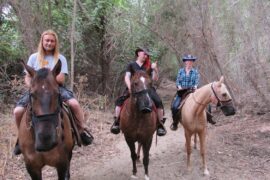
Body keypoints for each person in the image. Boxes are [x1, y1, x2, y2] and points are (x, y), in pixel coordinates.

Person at [13, 29, 93, 155]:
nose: (49, 43)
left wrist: (47, 79)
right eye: (47, 40)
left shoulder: (60, 58)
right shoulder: (33, 57)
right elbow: (27, 77)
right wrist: (32, 86)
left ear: (55, 43)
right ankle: (20, 138)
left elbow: (61, 78)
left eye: (52, 41)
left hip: (56, 88)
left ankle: (81, 130)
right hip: (37, 91)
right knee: (17, 111)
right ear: (42, 41)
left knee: (74, 104)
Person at [110, 47, 167, 136]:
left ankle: (160, 125)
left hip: (147, 89)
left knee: (158, 102)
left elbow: (154, 79)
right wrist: (129, 87)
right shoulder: (131, 65)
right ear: (138, 53)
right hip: (134, 88)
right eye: (144, 54)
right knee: (119, 102)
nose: (146, 56)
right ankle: (117, 122)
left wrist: (155, 69)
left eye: (147, 54)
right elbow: (127, 77)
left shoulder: (148, 66)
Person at [170, 54, 215, 131]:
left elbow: (197, 82)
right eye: (188, 61)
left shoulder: (195, 72)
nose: (189, 62)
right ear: (185, 62)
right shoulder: (180, 71)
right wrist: (179, 86)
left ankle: (208, 119)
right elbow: (177, 81)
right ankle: (175, 123)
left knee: (207, 104)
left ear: (192, 62)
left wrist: (195, 86)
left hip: (193, 91)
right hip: (182, 92)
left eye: (191, 61)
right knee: (174, 106)